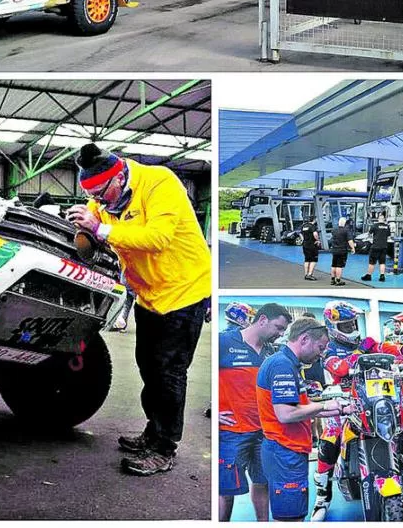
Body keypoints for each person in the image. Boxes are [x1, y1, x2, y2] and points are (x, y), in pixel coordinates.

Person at [66, 143, 211, 476]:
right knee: (148, 366)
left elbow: (157, 238)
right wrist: (81, 229)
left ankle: (164, 448)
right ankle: (153, 430)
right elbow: (91, 239)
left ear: (120, 176)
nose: (98, 202)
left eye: (102, 194)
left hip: (184, 289)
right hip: (149, 292)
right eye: (92, 197)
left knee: (169, 373)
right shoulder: (101, 197)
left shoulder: (161, 182)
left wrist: (100, 227)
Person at [257, 318, 358, 522]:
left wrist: (341, 409)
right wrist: (324, 405)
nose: (321, 354)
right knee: (290, 519)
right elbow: (286, 414)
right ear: (304, 339)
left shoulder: (288, 364)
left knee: (293, 515)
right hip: (285, 452)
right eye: (320, 347)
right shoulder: (282, 366)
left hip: (288, 450)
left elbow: (301, 408)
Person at [312, 302, 389, 519]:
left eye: (353, 324)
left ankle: (397, 479)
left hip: (369, 398)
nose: (352, 329)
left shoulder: (364, 342)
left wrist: (402, 350)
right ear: (333, 326)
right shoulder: (327, 348)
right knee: (329, 443)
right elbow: (342, 369)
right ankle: (322, 497)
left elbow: (385, 351)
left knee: (392, 432)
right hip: (340, 401)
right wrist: (360, 350)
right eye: (345, 326)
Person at [219, 303, 293, 522]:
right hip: (232, 431)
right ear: (262, 320)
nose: (280, 335)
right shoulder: (225, 342)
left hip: (263, 432)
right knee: (226, 489)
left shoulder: (271, 353)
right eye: (278, 328)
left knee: (262, 481)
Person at [361, 211, 391, 282]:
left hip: (375, 247)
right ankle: (382, 276)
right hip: (384, 247)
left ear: (378, 219)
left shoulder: (374, 226)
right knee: (382, 262)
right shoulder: (387, 227)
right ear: (384, 219)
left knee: (372, 262)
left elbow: (369, 234)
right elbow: (388, 235)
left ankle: (368, 275)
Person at [328, 217, 355, 286]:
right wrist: (353, 248)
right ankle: (338, 280)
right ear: (345, 223)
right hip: (342, 251)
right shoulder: (346, 230)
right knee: (339, 266)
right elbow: (350, 241)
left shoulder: (334, 230)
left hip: (334, 250)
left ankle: (332, 280)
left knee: (333, 265)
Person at [300, 215, 321, 281]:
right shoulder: (313, 226)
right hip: (312, 245)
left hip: (305, 245)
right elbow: (315, 234)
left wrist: (304, 240)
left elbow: (300, 234)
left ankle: (306, 274)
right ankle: (310, 274)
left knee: (307, 260)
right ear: (314, 220)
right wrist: (317, 240)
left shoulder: (303, 226)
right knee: (313, 260)